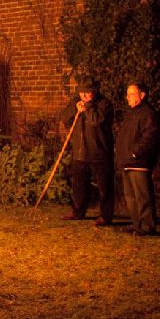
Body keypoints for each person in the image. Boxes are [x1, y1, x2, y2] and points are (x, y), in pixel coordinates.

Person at [60, 79, 115, 225]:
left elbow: (96, 121)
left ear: (95, 91)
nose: (83, 95)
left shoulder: (104, 105)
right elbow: (64, 118)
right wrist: (74, 109)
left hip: (99, 152)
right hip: (80, 152)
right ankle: (78, 211)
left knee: (105, 187)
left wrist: (88, 107)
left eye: (87, 92)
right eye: (81, 92)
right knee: (78, 185)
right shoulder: (77, 103)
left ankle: (105, 215)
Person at [115, 82, 160, 236]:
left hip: (138, 162)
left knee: (142, 196)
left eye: (132, 94)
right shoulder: (132, 113)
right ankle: (137, 224)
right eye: (127, 94)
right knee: (131, 196)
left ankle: (147, 226)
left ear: (142, 95)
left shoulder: (148, 113)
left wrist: (136, 152)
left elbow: (150, 136)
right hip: (127, 161)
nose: (128, 97)